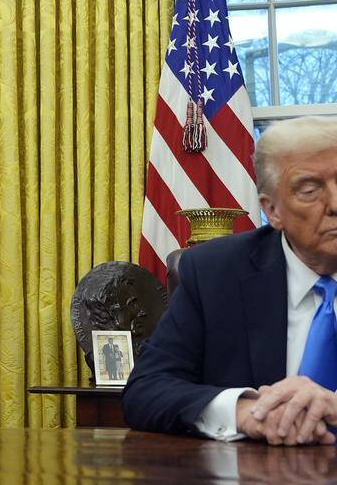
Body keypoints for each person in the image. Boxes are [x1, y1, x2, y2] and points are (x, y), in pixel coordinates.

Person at [122, 115, 337, 446]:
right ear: (273, 211)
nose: (335, 204)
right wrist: (247, 412)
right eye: (310, 190)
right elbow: (146, 390)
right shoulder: (215, 273)